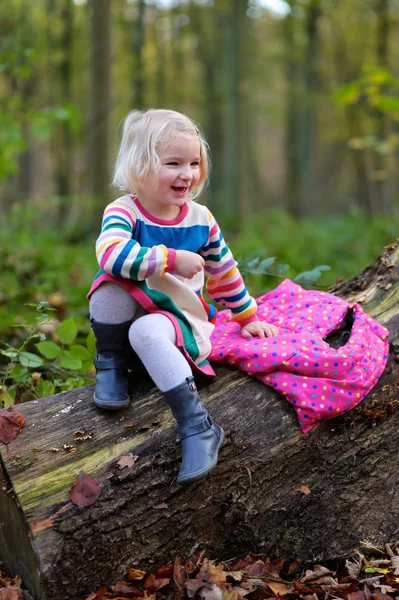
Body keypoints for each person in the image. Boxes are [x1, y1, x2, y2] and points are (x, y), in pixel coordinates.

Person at [88, 108, 278, 484]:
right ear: (140, 166)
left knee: (145, 333)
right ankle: (110, 363)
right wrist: (170, 259)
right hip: (134, 308)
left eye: (194, 163)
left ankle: (197, 425)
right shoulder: (124, 211)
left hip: (179, 316)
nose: (187, 173)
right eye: (173, 163)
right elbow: (110, 255)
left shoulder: (200, 219)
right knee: (108, 286)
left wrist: (246, 316)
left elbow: (223, 271)